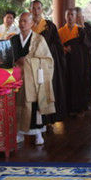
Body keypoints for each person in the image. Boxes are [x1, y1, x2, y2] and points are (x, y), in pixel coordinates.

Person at [12, 12, 55, 145]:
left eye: (25, 21)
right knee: (17, 104)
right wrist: (16, 63)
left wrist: (28, 61)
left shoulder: (38, 39)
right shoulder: (13, 39)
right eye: (20, 21)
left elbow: (48, 60)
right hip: (17, 78)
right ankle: (19, 132)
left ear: (32, 24)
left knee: (34, 104)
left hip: (34, 78)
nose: (22, 24)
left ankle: (37, 133)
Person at [30, 0, 67, 121]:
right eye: (33, 8)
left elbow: (57, 45)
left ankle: (49, 118)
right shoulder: (28, 25)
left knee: (47, 89)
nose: (36, 11)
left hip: (46, 63)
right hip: (31, 64)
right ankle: (35, 120)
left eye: (38, 8)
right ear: (30, 10)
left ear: (42, 10)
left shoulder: (49, 26)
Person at [58, 8, 91, 116]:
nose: (70, 17)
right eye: (68, 14)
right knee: (66, 83)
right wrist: (63, 49)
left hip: (78, 62)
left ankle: (79, 108)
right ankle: (67, 109)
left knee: (78, 84)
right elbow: (56, 46)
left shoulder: (80, 31)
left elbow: (86, 47)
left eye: (72, 14)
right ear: (65, 16)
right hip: (65, 61)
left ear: (76, 16)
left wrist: (73, 49)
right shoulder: (60, 31)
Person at [76, 7, 91, 103]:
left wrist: (82, 27)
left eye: (80, 16)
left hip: (87, 57)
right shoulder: (70, 28)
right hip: (75, 58)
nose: (79, 18)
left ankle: (87, 101)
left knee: (87, 79)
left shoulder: (88, 27)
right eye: (76, 16)